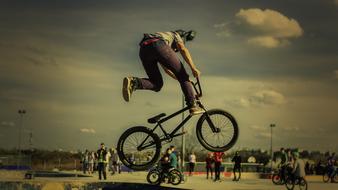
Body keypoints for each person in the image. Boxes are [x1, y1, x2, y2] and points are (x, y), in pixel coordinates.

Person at [122, 30, 204, 115]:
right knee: (183, 75)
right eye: (175, 49)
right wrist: (193, 68)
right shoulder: (176, 35)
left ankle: (134, 82)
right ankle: (193, 106)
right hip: (158, 45)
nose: (175, 50)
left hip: (143, 50)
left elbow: (167, 70)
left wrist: (185, 83)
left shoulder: (163, 39)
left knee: (157, 84)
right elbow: (183, 49)